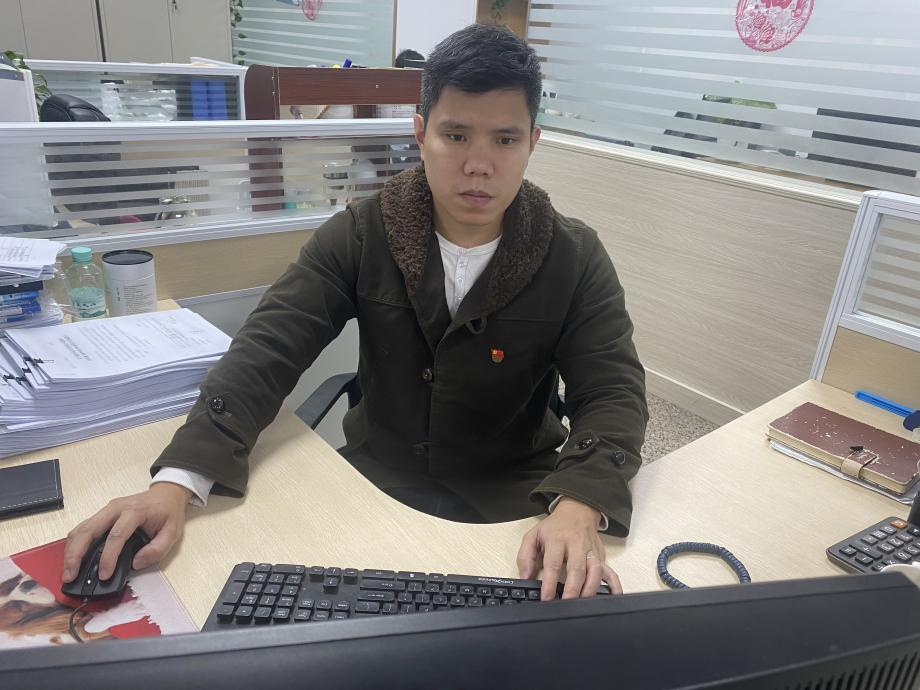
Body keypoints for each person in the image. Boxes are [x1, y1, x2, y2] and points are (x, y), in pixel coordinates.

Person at [62, 24, 648, 602]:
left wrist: (581, 499)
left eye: (505, 140)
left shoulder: (573, 254)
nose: (479, 165)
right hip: (376, 480)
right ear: (420, 133)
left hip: (514, 497)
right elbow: (268, 348)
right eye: (456, 135)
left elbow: (613, 390)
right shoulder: (364, 233)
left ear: (532, 143)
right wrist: (177, 480)